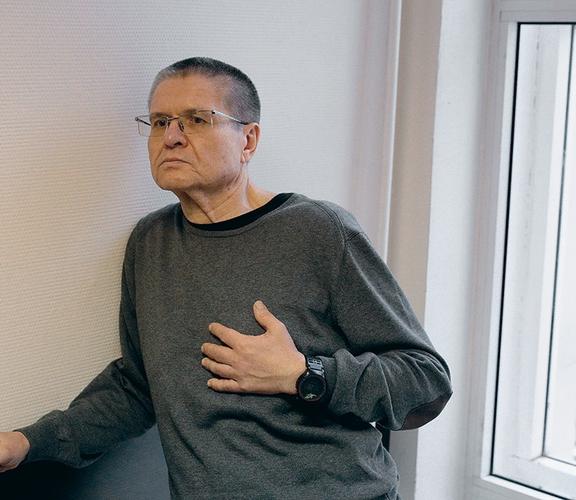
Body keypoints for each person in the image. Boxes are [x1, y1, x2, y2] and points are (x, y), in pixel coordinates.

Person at [0, 57, 452, 499]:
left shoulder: (318, 231)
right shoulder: (150, 242)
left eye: (197, 119)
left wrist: (304, 374)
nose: (171, 137)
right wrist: (26, 443)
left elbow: (426, 383)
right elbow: (138, 388)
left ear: (248, 140)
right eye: (159, 122)